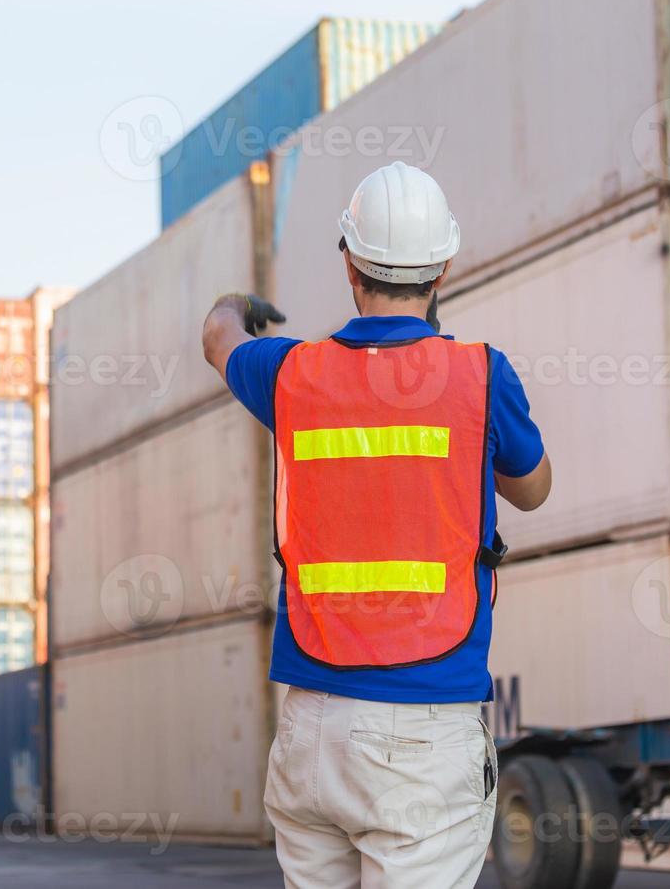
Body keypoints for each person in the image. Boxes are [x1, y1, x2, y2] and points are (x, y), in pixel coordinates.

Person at [202, 161, 551, 888]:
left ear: (348, 262)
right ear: (445, 265)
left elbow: (217, 335)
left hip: (310, 734)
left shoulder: (288, 373)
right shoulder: (481, 376)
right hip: (422, 734)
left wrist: (240, 305)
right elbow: (533, 490)